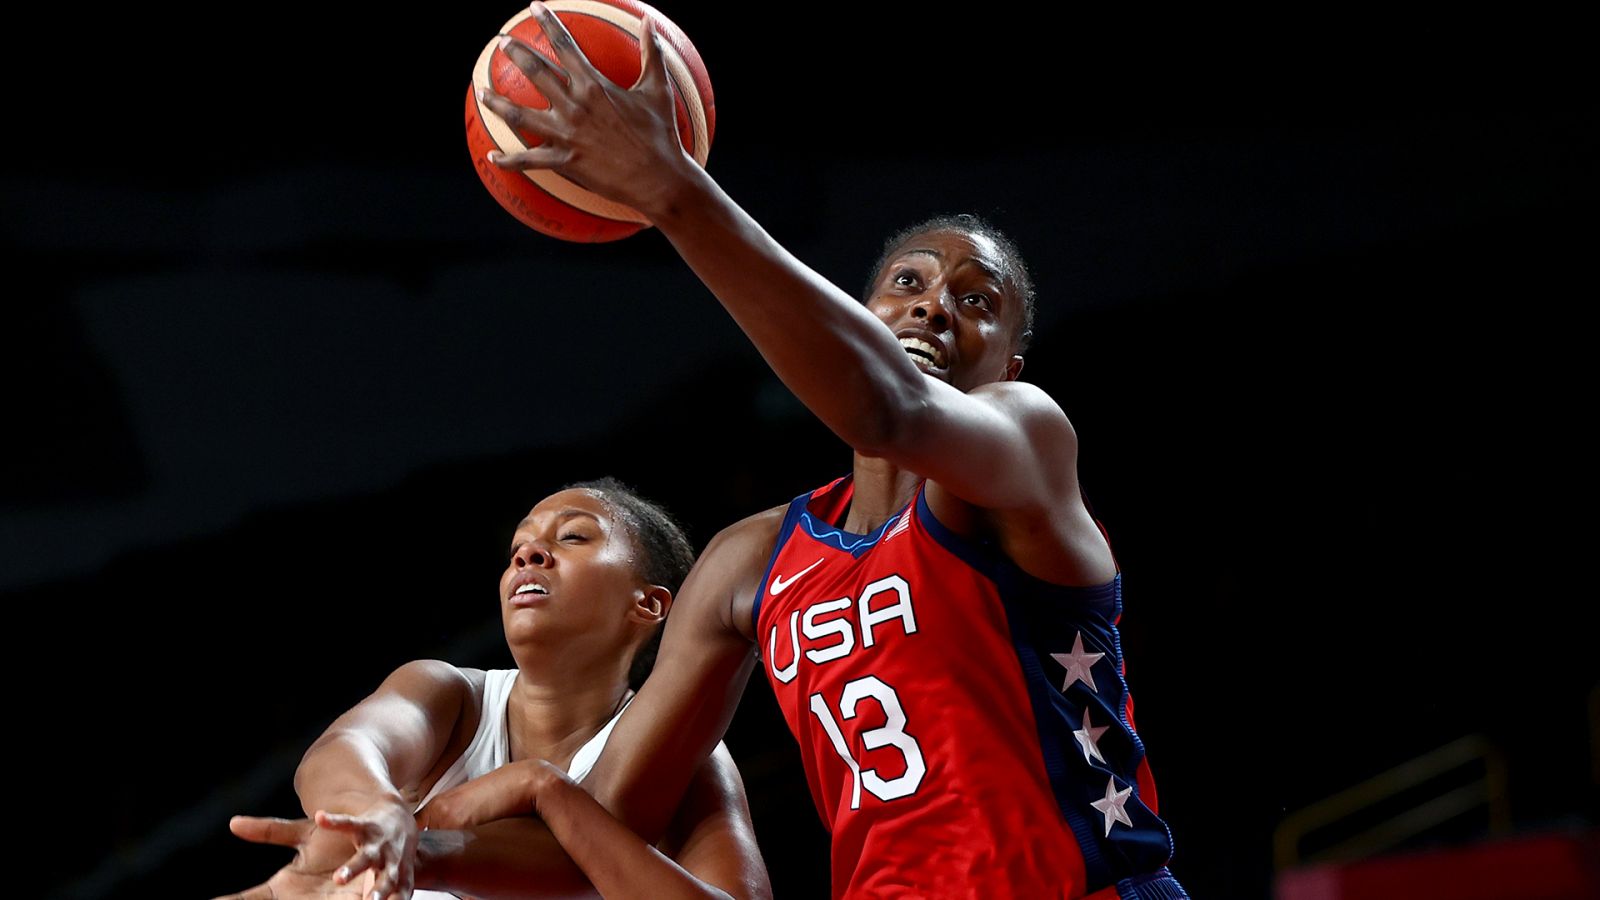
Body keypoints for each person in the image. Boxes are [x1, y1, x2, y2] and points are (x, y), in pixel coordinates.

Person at [435, 6, 1188, 898]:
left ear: (1009, 363)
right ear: (860, 315)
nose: (935, 306)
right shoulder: (751, 562)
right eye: (907, 282)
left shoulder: (1028, 442)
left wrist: (672, 189)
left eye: (977, 300)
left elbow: (887, 412)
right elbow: (592, 835)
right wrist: (387, 844)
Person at [216, 479, 772, 900]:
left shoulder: (691, 758)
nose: (528, 556)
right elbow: (344, 749)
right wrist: (377, 810)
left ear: (647, 604)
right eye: (517, 549)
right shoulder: (452, 695)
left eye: (573, 536)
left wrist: (544, 789)